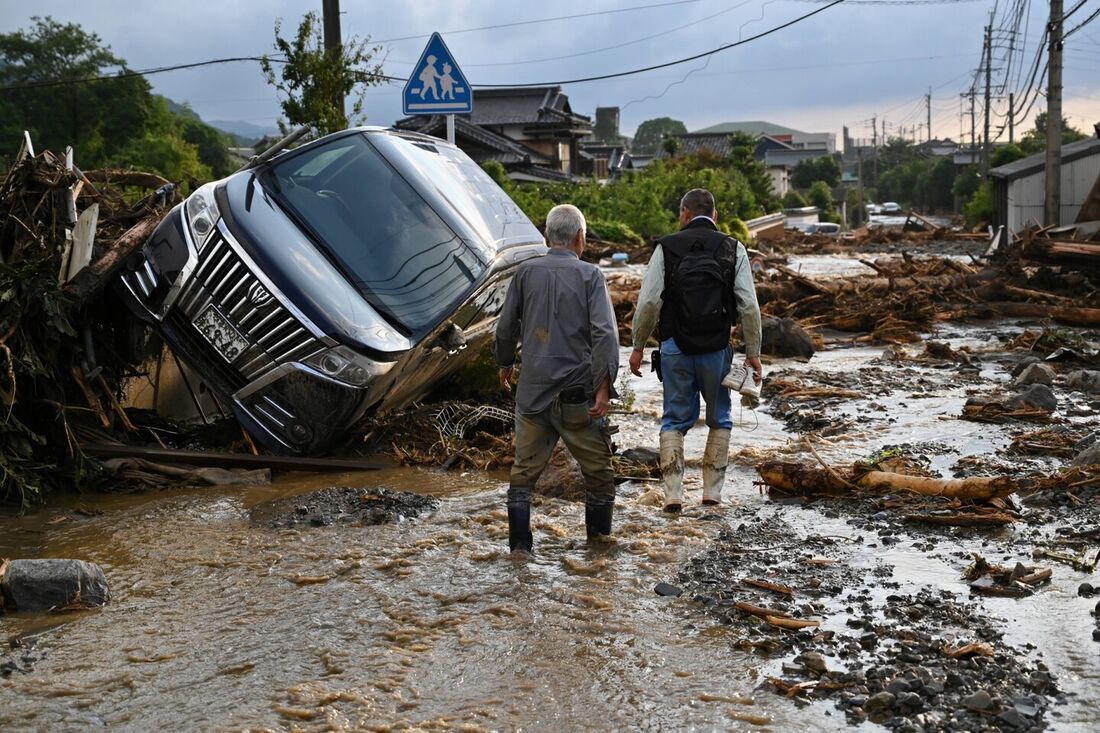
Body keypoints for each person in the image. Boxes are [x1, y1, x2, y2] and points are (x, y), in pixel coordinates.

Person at [495, 204, 619, 553]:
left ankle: (519, 552)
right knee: (598, 474)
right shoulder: (591, 276)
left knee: (523, 476)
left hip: (532, 392)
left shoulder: (523, 273)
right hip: (576, 395)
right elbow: (605, 335)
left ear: (547, 237)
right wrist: (604, 386)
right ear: (580, 237)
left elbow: (506, 328)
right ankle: (598, 550)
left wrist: (505, 363)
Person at [628, 188, 762, 511]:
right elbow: (748, 305)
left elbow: (648, 302)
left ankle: (673, 495)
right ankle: (712, 494)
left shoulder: (666, 247)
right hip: (717, 349)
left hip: (675, 347)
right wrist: (753, 351)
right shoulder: (733, 248)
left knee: (674, 419)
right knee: (720, 418)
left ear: (684, 214)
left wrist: (637, 346)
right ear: (715, 216)